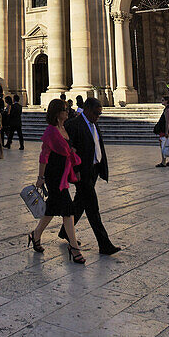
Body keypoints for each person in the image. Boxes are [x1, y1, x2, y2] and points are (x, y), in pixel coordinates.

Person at [28, 99, 84, 264]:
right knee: (68, 209)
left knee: (52, 208)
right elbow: (44, 156)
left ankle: (36, 235)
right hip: (53, 176)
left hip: (63, 174)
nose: (68, 112)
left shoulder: (63, 129)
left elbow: (67, 150)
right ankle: (73, 247)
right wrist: (40, 177)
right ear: (57, 113)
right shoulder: (51, 131)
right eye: (65, 109)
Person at [61, 98, 120, 255]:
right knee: (93, 208)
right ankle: (104, 244)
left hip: (93, 169)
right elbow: (69, 150)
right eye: (96, 113)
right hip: (82, 172)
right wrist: (76, 169)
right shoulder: (74, 125)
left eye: (100, 113)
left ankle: (64, 231)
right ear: (86, 109)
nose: (98, 116)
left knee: (80, 202)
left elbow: (97, 145)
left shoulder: (94, 123)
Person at [154, 98, 169, 167]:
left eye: (163, 100)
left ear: (166, 101)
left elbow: (167, 121)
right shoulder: (168, 109)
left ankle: (163, 162)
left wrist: (166, 131)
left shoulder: (167, 110)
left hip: (165, 131)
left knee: (163, 146)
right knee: (168, 145)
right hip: (167, 131)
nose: (161, 101)